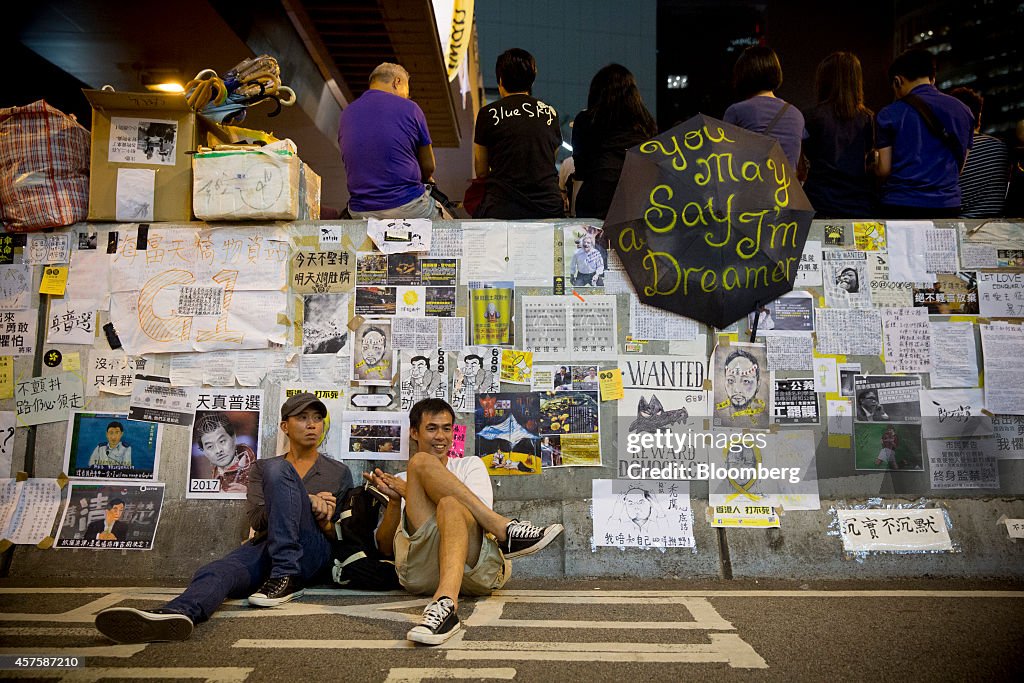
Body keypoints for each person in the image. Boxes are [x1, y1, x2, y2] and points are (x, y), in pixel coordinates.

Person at [94, 393, 353, 644]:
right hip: (269, 545)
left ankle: (288, 577)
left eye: (317, 418)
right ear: (285, 426)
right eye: (302, 417)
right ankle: (176, 614)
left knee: (280, 470)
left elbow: (342, 538)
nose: (311, 424)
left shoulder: (338, 472)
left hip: (310, 551)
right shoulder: (264, 468)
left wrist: (323, 519)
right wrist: (304, 498)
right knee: (217, 570)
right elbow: (258, 522)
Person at [364, 398, 563, 646]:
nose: (441, 436)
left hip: (475, 570)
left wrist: (421, 494)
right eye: (432, 428)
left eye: (447, 428)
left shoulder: (470, 465)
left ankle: (445, 604)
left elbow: (475, 528)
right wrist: (397, 500)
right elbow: (384, 548)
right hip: (422, 572)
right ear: (414, 433)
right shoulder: (403, 480)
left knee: (451, 504)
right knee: (420, 463)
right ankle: (505, 530)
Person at [874, 48, 974, 218]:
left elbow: (884, 170)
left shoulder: (889, 114)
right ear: (932, 78)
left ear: (897, 81)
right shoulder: (963, 111)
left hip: (901, 205)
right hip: (947, 206)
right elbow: (960, 167)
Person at [338, 62, 440, 219]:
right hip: (407, 205)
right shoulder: (410, 108)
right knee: (450, 228)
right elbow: (429, 166)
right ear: (397, 82)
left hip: (360, 211)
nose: (407, 97)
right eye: (407, 91)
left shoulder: (347, 113)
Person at [472, 48, 564, 219]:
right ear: (532, 82)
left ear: (500, 80)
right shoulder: (550, 113)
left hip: (502, 208)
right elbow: (550, 158)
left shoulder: (488, 113)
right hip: (547, 208)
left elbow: (481, 171)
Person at [571, 63, 657, 219]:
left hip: (599, 192)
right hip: (639, 195)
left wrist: (574, 214)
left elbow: (581, 171)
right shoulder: (645, 122)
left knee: (598, 242)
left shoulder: (586, 120)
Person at [802, 52, 877, 218]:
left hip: (819, 202)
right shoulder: (867, 118)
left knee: (821, 244)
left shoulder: (811, 117)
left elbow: (806, 158)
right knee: (859, 245)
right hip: (859, 205)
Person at [724, 46, 805, 170]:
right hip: (786, 188)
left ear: (742, 75)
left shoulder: (736, 111)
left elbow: (723, 161)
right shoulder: (796, 114)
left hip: (750, 188)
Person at [949, 87, 1010, 218]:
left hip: (961, 227)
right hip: (998, 228)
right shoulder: (1001, 147)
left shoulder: (949, 151)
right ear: (979, 115)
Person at [193, 413, 256, 494]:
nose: (218, 450)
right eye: (210, 446)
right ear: (203, 451)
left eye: (222, 441)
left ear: (233, 438)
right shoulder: (206, 474)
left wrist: (248, 494)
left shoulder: (254, 467)